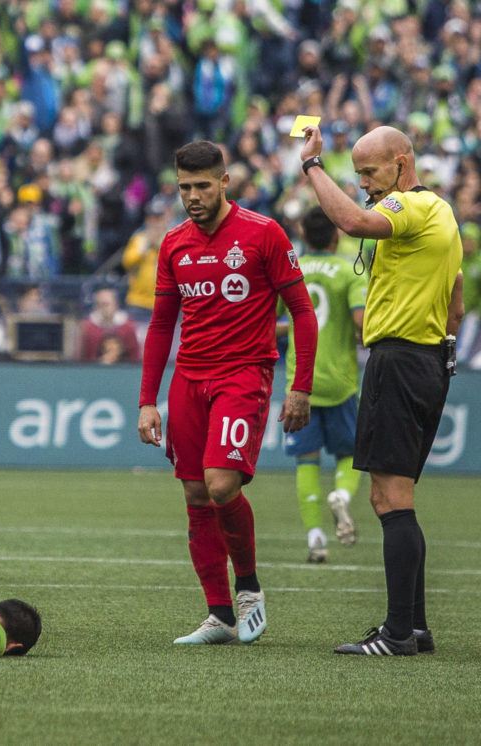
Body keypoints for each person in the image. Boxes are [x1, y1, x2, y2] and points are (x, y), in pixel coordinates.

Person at [137, 141, 318, 645]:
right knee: (195, 492)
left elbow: (303, 313)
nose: (192, 196)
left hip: (243, 374)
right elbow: (160, 324)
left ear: (224, 182)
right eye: (183, 187)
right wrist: (148, 399)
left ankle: (250, 588)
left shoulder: (264, 234)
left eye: (201, 186)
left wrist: (300, 387)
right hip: (188, 379)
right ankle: (218, 614)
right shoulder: (173, 242)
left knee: (221, 485)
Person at [300, 124, 463, 656]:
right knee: (399, 498)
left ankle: (396, 633)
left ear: (401, 161)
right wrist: (446, 346)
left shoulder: (411, 206)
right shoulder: (444, 216)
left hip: (399, 359)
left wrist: (312, 167)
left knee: (388, 497)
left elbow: (350, 220)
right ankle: (414, 629)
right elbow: (456, 294)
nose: (366, 183)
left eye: (370, 172)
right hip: (428, 358)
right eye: (359, 174)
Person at [277, 207, 367, 563]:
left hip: (301, 383)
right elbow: (362, 323)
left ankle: (315, 539)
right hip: (341, 381)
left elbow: (272, 324)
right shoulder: (349, 271)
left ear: (303, 234)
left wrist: (296, 327)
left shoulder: (290, 268)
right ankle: (342, 497)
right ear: (337, 235)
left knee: (306, 462)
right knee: (350, 455)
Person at [78, 286, 141, 362]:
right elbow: (83, 357)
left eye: (106, 304)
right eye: (98, 304)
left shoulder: (128, 327)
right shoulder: (88, 328)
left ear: (115, 304)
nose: (102, 308)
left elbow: (134, 356)